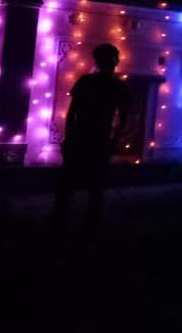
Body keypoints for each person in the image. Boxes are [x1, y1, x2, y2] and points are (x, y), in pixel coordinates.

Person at [50, 43, 130, 239]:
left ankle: (85, 227)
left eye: (112, 58)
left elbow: (124, 117)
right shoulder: (89, 82)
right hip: (82, 137)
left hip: (98, 140)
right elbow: (72, 112)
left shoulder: (116, 86)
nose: (111, 62)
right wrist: (68, 138)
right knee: (70, 185)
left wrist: (114, 142)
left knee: (93, 186)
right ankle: (62, 225)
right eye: (108, 58)